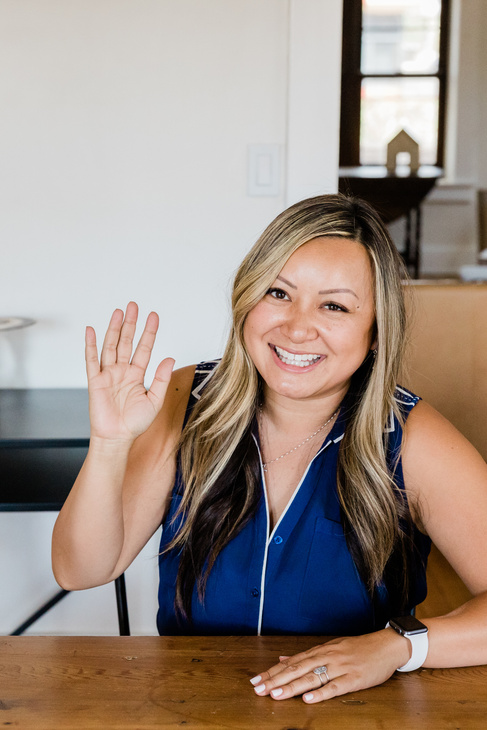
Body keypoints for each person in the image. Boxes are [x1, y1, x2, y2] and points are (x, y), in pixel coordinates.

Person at [52, 193, 487, 704]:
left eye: (334, 305)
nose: (298, 327)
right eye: (279, 294)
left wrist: (395, 647)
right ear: (247, 299)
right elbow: (80, 570)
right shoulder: (181, 400)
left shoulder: (412, 436)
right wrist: (109, 444)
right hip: (190, 704)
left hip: (354, 713)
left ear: (375, 332)